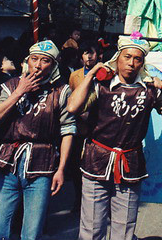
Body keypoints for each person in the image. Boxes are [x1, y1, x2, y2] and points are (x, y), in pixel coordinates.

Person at [67, 34, 162, 240]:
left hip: (130, 163)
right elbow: (73, 107)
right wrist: (92, 73)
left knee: (125, 227)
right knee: (92, 227)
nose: (131, 63)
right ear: (118, 58)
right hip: (97, 160)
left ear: (142, 63)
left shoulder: (149, 90)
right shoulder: (101, 85)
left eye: (137, 59)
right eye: (127, 57)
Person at [0, 40, 76, 240]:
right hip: (9, 163)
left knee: (31, 232)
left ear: (53, 65)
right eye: (34, 59)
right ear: (27, 61)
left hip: (42, 165)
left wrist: (61, 169)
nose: (37, 65)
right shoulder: (11, 85)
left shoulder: (60, 92)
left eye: (45, 61)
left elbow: (68, 131)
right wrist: (20, 91)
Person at [69, 42, 99, 212]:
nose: (89, 57)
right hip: (79, 125)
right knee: (76, 166)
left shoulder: (105, 74)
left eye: (92, 53)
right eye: (86, 53)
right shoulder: (75, 76)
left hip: (97, 126)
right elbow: (72, 98)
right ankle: (78, 198)